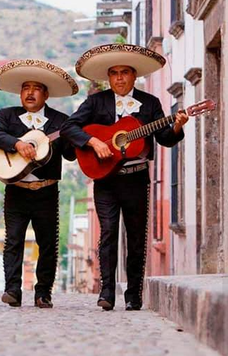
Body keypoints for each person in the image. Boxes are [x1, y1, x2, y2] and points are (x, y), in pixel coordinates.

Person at [60, 44, 189, 311]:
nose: (119, 78)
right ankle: (106, 293)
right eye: (114, 73)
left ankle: (134, 295)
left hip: (136, 178)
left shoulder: (150, 103)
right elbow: (68, 127)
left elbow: (164, 138)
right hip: (105, 178)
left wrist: (176, 125)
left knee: (136, 237)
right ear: (109, 77)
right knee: (108, 233)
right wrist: (94, 142)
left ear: (134, 76)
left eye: (125, 72)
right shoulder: (97, 101)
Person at [0, 59, 78, 308]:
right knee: (13, 240)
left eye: (36, 88)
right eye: (25, 87)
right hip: (16, 190)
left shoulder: (61, 121)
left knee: (48, 243)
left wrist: (78, 137)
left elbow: (70, 154)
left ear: (45, 94)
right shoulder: (7, 115)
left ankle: (43, 293)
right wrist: (17, 144)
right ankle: (12, 290)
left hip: (46, 191)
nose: (29, 92)